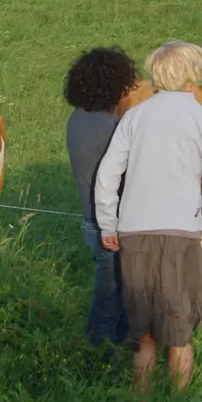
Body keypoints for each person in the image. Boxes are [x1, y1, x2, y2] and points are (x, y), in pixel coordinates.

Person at [93, 40, 202, 395]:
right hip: (180, 235)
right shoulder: (199, 118)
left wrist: (108, 225)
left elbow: (107, 177)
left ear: (156, 75)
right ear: (192, 75)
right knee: (180, 328)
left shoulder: (134, 117)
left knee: (143, 332)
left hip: (134, 234)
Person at [64, 46, 139, 350]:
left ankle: (113, 350)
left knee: (114, 293)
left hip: (91, 219)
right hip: (111, 223)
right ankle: (99, 354)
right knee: (110, 298)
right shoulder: (109, 129)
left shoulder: (77, 119)